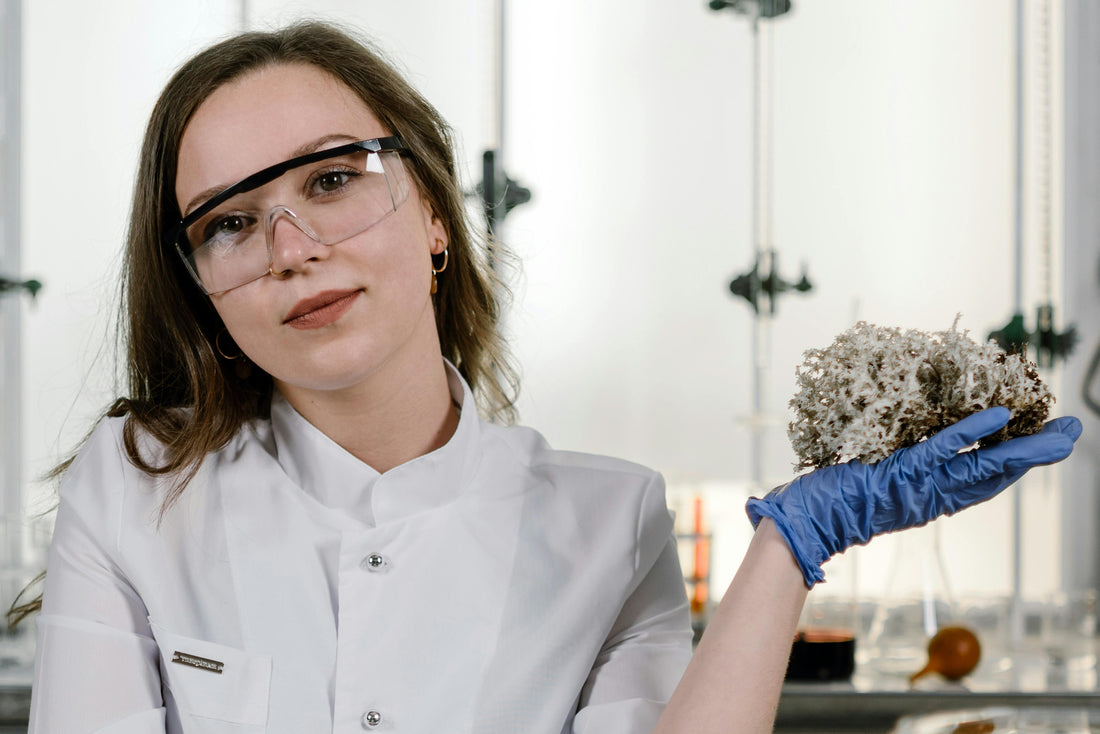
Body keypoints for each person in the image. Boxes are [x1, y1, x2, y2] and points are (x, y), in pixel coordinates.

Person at [16, 21, 1081, 734]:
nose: (290, 245)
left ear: (433, 213)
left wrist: (782, 551)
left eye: (333, 178)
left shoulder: (607, 519)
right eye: (230, 223)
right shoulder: (137, 486)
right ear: (199, 283)